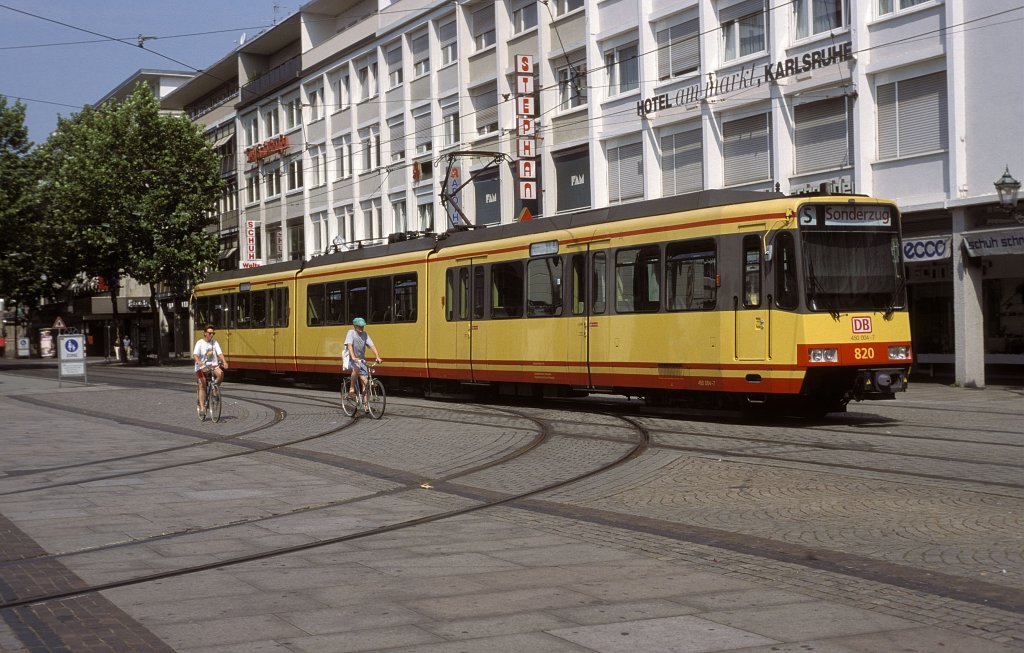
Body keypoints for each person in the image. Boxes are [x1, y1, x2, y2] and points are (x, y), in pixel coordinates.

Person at [344, 317, 381, 410]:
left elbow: (372, 346)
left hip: (361, 360)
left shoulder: (365, 334)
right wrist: (353, 357)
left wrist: (377, 356)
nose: (361, 328)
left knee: (365, 382)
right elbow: (350, 346)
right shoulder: (351, 333)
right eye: (359, 326)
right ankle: (351, 389)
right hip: (351, 359)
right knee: (356, 368)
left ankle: (366, 405)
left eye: (362, 326)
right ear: (355, 326)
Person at [193, 324, 228, 416]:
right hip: (201, 367)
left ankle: (215, 389)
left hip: (212, 366)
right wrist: (200, 364)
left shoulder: (215, 343)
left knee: (220, 373)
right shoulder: (200, 343)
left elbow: (220, 354)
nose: (211, 335)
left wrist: (224, 362)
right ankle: (202, 407)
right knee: (202, 384)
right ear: (205, 333)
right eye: (209, 333)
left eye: (213, 333)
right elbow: (195, 355)